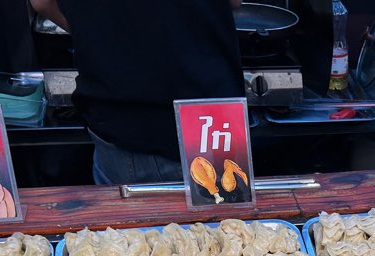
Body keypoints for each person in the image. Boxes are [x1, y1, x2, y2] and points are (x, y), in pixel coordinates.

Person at [29, 0, 244, 184]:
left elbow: (42, 3)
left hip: (118, 116)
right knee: (222, 215)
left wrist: (100, 35)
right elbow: (234, 2)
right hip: (207, 114)